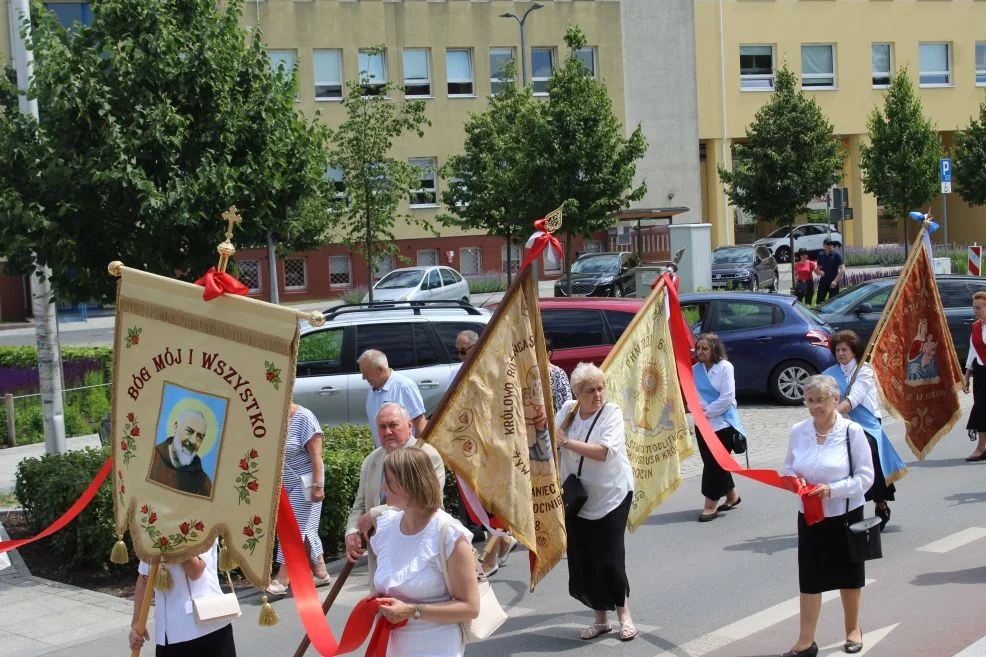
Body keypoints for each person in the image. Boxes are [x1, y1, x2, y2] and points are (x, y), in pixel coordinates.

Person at [781, 375, 873, 657]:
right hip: (810, 515)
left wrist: (831, 489)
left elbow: (866, 478)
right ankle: (806, 640)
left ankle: (853, 629)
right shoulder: (798, 431)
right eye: (809, 400)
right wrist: (795, 482)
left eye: (821, 400)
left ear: (835, 399)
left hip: (845, 513)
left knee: (849, 574)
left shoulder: (851, 432)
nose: (815, 406)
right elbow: (787, 469)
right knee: (810, 576)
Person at [371, 448, 481, 657]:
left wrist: (413, 611)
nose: (383, 486)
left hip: (437, 648)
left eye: (388, 480)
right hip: (392, 647)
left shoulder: (449, 534)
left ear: (408, 485)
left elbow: (470, 607)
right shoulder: (387, 528)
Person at [556, 362, 637, 641]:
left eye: (600, 388)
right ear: (578, 392)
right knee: (584, 558)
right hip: (577, 497)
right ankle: (600, 619)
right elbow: (549, 440)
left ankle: (624, 614)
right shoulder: (568, 410)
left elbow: (603, 453)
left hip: (612, 494)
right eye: (590, 390)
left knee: (610, 557)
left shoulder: (611, 413)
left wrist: (565, 443)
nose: (597, 394)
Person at [345, 402, 445, 581]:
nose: (387, 432)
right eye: (382, 427)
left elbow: (426, 501)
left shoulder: (427, 456)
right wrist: (351, 532)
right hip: (381, 555)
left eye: (393, 425)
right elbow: (360, 504)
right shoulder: (371, 461)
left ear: (409, 425)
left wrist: (374, 514)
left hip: (417, 550)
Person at [825, 331, 907, 531]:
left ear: (854, 351)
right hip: (839, 424)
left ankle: (880, 503)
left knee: (869, 453)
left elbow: (854, 399)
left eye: (845, 349)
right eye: (838, 350)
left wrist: (831, 414)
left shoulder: (865, 371)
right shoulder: (828, 374)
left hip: (866, 423)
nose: (841, 353)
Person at [454, 329, 517, 577]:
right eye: (457, 352)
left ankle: (488, 557)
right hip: (475, 450)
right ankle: (503, 541)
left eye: (463, 351)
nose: (459, 356)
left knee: (497, 504)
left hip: (498, 448)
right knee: (484, 505)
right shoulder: (462, 374)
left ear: (476, 348)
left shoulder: (494, 374)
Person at [129, 540, 237, 656]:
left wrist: (172, 538)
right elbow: (144, 579)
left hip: (208, 629)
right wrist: (136, 623)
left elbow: (195, 571)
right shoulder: (153, 531)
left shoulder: (204, 526)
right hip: (168, 635)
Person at [266, 403, 330, 595]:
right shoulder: (270, 417)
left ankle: (283, 578)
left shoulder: (304, 417)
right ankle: (320, 573)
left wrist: (318, 486)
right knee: (306, 527)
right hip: (283, 486)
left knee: (292, 529)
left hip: (307, 482)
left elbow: (316, 455)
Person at [692, 333, 744, 522]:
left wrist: (706, 412)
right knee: (713, 463)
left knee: (714, 466)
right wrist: (697, 411)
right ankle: (732, 496)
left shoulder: (725, 368)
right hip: (702, 425)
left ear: (714, 349)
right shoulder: (694, 370)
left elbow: (727, 397)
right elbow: (692, 396)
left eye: (704, 348)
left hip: (723, 424)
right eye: (698, 348)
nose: (700, 352)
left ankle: (710, 505)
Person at [358, 349, 427, 448]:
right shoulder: (372, 391)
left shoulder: (404, 386)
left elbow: (420, 422)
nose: (363, 378)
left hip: (406, 456)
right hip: (385, 455)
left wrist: (417, 452)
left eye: (366, 373)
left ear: (380, 369)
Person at [148, 408, 213, 497]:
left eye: (199, 437)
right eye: (189, 431)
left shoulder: (203, 483)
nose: (193, 441)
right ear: (175, 427)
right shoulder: (150, 458)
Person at [964, 291, 986, 460]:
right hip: (980, 372)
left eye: (979, 308)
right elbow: (973, 350)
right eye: (974, 308)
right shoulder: (976, 326)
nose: (975, 311)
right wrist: (966, 375)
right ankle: (981, 447)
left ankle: (981, 448)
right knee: (981, 408)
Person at [545, 335, 573, 414]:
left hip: (555, 421)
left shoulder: (557, 373)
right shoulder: (529, 373)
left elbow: (567, 402)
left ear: (548, 354)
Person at [814, 239, 845, 304]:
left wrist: (835, 281)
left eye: (831, 244)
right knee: (819, 303)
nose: (830, 246)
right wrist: (819, 272)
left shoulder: (836, 255)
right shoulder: (821, 255)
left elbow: (843, 269)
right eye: (828, 244)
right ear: (824, 246)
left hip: (833, 283)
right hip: (823, 283)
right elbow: (816, 269)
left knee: (834, 304)